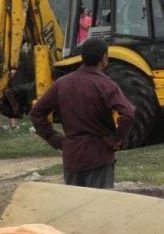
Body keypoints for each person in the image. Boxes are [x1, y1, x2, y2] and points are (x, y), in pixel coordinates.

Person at [29, 38, 135, 189]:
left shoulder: (62, 84)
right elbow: (129, 113)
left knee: (75, 207)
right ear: (104, 58)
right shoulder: (107, 85)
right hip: (99, 155)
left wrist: (53, 138)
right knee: (98, 207)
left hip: (72, 156)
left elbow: (36, 113)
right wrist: (117, 139)